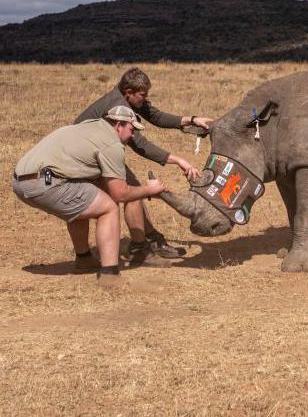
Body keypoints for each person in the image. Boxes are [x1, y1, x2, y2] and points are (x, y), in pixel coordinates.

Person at [12, 106, 166, 284]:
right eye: (132, 130)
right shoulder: (111, 144)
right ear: (118, 125)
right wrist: (149, 190)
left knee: (84, 198)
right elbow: (120, 193)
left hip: (21, 182)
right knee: (108, 207)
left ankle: (84, 259)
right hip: (45, 183)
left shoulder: (89, 128)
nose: (133, 136)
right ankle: (109, 275)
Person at [75, 68, 212, 263]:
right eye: (142, 95)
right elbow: (140, 145)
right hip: (86, 156)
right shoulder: (118, 107)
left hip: (97, 152)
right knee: (132, 193)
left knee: (135, 190)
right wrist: (179, 160)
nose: (145, 99)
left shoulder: (126, 99)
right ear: (129, 92)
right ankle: (139, 249)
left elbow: (155, 116)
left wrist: (191, 120)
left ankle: (152, 239)